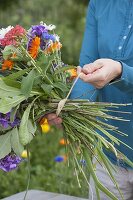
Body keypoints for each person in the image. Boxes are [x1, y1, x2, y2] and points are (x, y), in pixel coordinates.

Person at [47, 0, 133, 199]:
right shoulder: (100, 3)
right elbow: (87, 68)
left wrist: (121, 72)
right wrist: (69, 110)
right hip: (109, 154)